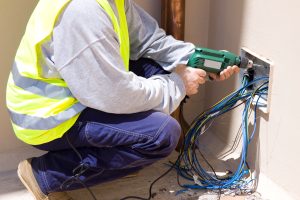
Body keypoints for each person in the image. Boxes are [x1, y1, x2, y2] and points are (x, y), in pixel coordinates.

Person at [6, 0, 239, 199]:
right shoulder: (82, 12)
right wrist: (178, 85)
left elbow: (150, 41)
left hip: (82, 92)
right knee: (161, 135)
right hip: (48, 117)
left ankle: (116, 155)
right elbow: (114, 94)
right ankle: (45, 175)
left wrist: (198, 59)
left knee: (157, 66)